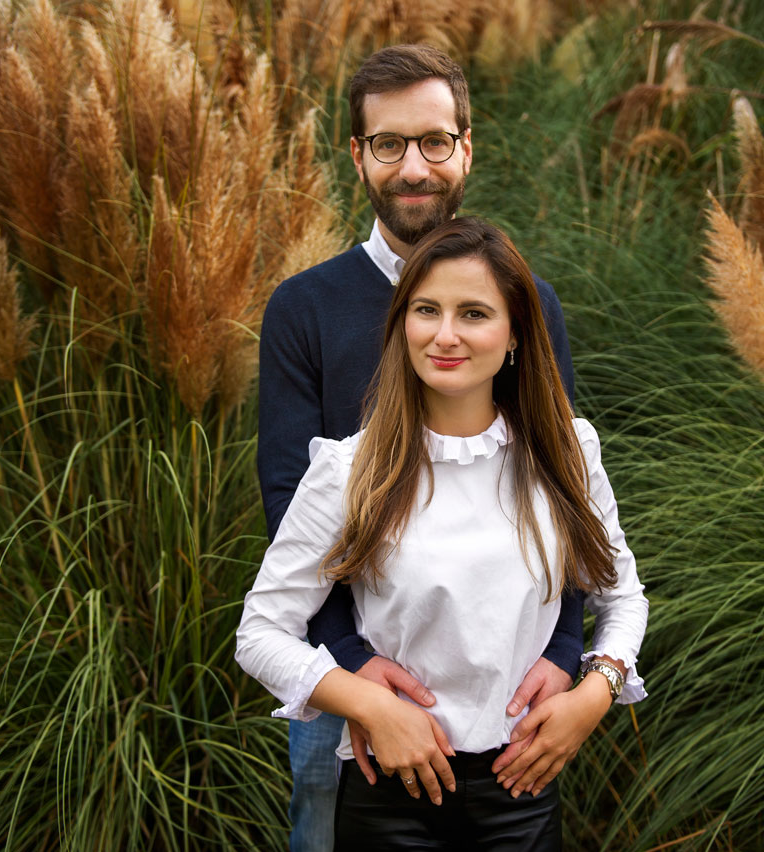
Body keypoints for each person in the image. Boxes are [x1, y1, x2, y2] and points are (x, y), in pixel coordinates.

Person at [257, 44, 585, 851]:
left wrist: (572, 652)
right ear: (358, 155)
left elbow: (565, 491)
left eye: (435, 141)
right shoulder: (305, 307)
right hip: (349, 678)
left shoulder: (527, 304)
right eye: (390, 144)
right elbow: (289, 498)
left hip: (506, 685)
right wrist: (354, 669)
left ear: (466, 148)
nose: (415, 167)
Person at [238, 217, 648, 850]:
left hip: (523, 792)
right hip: (389, 796)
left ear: (515, 333)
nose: (445, 335)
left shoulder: (567, 452)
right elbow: (261, 632)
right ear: (401, 324)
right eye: (426, 309)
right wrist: (368, 706)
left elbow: (621, 597)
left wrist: (595, 695)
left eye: (474, 313)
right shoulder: (350, 471)